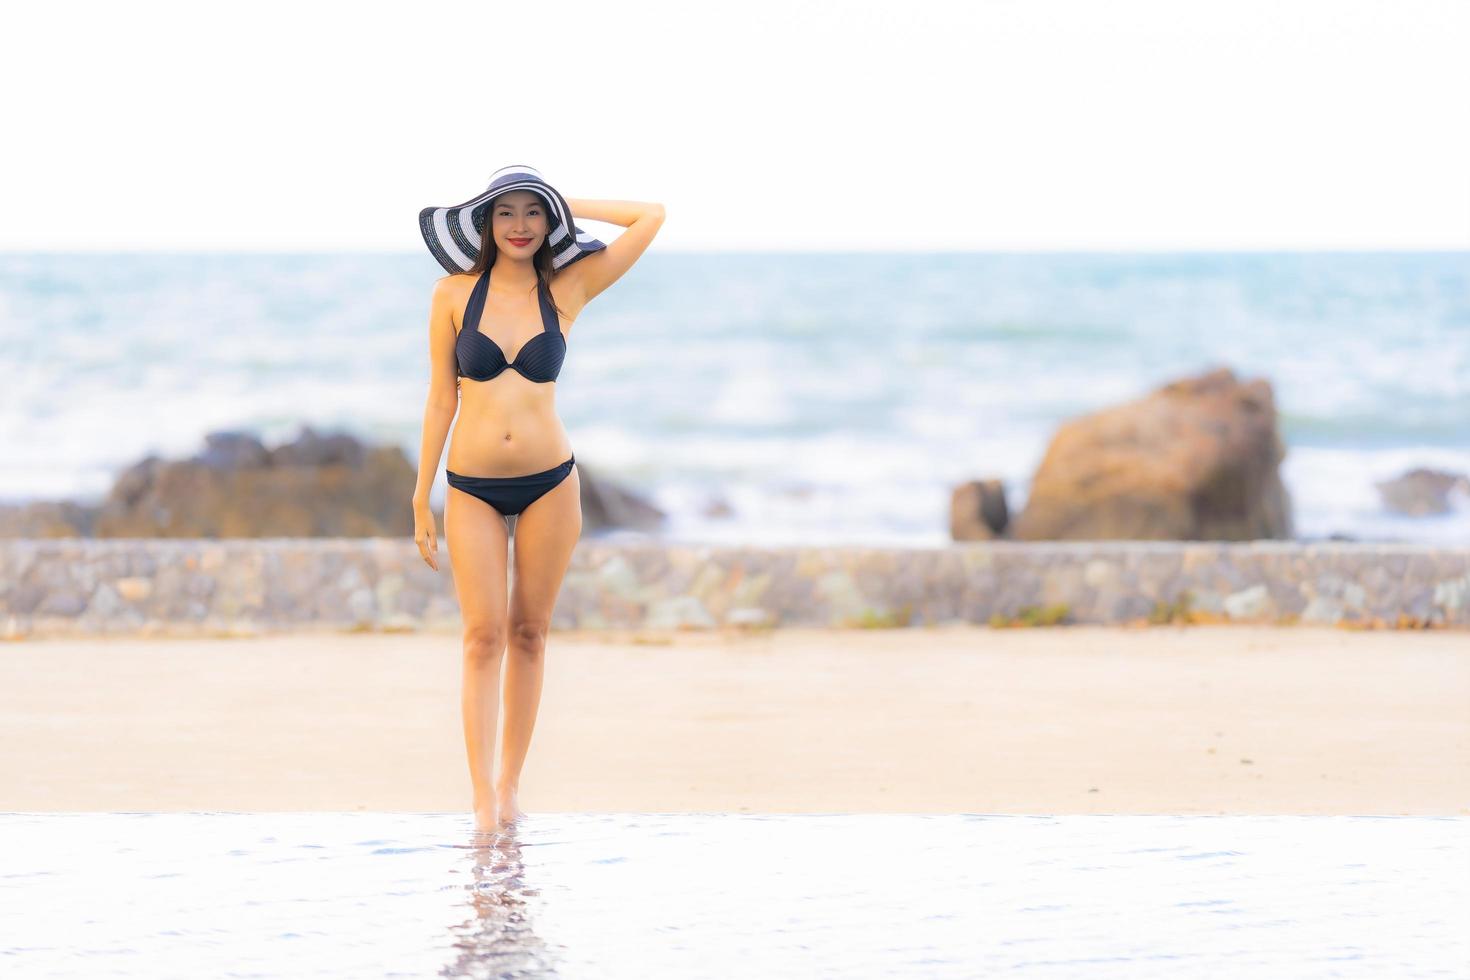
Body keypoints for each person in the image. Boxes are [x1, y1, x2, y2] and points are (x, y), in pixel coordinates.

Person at [410, 165, 665, 832]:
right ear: (486, 224)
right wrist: (419, 495)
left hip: (552, 481)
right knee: (480, 636)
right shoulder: (451, 295)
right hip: (470, 488)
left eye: (532, 213)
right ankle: (479, 802)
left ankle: (510, 787)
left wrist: (565, 202)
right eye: (506, 213)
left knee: (529, 634)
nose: (520, 226)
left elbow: (651, 215)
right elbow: (441, 398)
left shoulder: (569, 287)